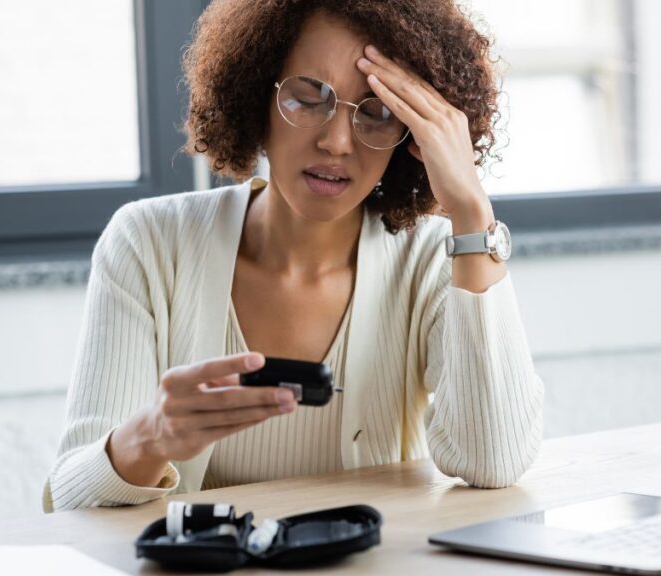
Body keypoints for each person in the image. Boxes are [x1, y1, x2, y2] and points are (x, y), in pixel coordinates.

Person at [43, 0, 544, 512]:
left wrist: (470, 210)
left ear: (414, 136)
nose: (335, 142)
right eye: (308, 100)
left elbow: (495, 460)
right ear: (256, 94)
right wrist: (149, 438)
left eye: (377, 114)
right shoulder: (148, 243)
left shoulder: (433, 259)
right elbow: (71, 501)